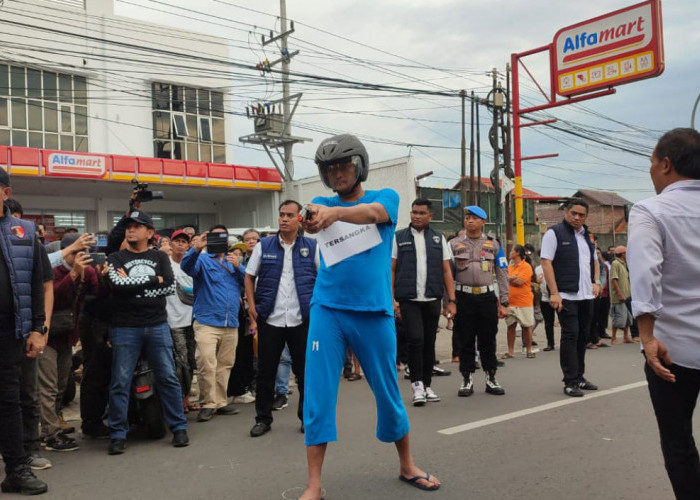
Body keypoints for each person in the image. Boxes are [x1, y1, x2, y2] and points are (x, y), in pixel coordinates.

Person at [299, 134, 440, 499]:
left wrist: (336, 214)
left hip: (374, 312)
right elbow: (313, 217)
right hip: (326, 310)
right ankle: (314, 485)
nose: (338, 173)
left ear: (359, 165)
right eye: (330, 168)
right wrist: (314, 218)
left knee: (388, 391)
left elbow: (375, 215)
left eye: (344, 164)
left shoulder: (385, 198)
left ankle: (407, 465)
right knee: (318, 394)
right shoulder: (321, 202)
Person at [628, 127, 700, 499]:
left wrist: (646, 337)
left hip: (675, 352)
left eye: (653, 163)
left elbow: (645, 274)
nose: (652, 171)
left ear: (667, 165)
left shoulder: (650, 210)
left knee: (678, 441)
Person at [106, 210, 189, 454]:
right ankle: (118, 434)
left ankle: (179, 427)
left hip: (157, 325)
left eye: (137, 226)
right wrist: (154, 280)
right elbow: (117, 286)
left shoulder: (160, 257)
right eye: (129, 226)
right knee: (120, 382)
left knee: (168, 378)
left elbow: (169, 287)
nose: (131, 229)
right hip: (124, 327)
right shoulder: (115, 257)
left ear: (150, 232)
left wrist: (133, 286)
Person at [245, 200, 318, 437]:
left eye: (289, 215)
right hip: (270, 319)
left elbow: (324, 278)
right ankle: (263, 419)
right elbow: (249, 276)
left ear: (299, 218)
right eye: (281, 215)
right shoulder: (264, 245)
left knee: (305, 372)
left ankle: (306, 418)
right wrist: (252, 308)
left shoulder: (312, 246)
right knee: (266, 372)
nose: (284, 219)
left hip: (300, 320)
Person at [0, 168, 48, 494]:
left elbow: (36, 283)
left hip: (8, 334)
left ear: (6, 192)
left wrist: (38, 329)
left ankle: (16, 470)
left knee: (9, 403)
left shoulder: (24, 231)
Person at [392, 198, 456, 406]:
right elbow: (391, 269)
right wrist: (392, 299)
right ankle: (417, 385)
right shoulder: (399, 237)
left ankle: (427, 385)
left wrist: (451, 301)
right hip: (408, 299)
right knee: (415, 340)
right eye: (414, 212)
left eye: (421, 213)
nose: (416, 216)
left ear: (430, 216)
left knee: (429, 342)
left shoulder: (439, 238)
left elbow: (446, 270)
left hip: (432, 298)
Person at [39, 234, 98, 452]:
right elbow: (54, 297)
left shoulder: (88, 270)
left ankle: (52, 424)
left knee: (61, 386)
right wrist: (73, 274)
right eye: (76, 252)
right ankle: (50, 434)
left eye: (84, 252)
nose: (80, 256)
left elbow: (96, 294)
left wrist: (101, 276)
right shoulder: (52, 271)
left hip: (67, 336)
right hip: (46, 337)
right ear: (66, 252)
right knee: (48, 387)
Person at [181, 225, 244, 422]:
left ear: (227, 242)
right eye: (213, 237)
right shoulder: (201, 259)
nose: (218, 241)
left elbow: (248, 281)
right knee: (206, 363)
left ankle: (220, 402)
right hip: (207, 320)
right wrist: (196, 248)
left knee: (225, 365)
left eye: (222, 237)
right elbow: (186, 267)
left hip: (230, 322)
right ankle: (208, 403)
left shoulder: (233, 261)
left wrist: (238, 267)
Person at [540, 199, 601, 397]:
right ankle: (570, 381)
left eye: (581, 215)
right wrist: (554, 292)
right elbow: (546, 263)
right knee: (570, 335)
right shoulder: (554, 233)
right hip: (566, 294)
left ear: (586, 217)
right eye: (573, 213)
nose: (576, 217)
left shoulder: (587, 236)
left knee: (583, 336)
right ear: (566, 212)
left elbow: (594, 261)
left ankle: (580, 377)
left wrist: (597, 281)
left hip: (586, 294)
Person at [449, 205, 508, 397]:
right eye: (467, 218)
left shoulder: (494, 244)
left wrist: (504, 301)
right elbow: (447, 274)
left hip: (486, 297)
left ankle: (491, 377)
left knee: (488, 339)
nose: (470, 221)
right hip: (463, 297)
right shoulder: (453, 244)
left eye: (474, 218)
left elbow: (502, 272)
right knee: (464, 339)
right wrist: (448, 302)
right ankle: (466, 379)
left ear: (483, 222)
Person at [164, 229, 197, 413]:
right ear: (170, 244)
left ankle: (186, 399)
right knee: (179, 363)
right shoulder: (165, 265)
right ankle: (178, 402)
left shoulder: (192, 265)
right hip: (172, 321)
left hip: (192, 320)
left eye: (184, 241)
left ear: (189, 245)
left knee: (191, 362)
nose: (180, 244)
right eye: (177, 241)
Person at [504, 245, 536, 359]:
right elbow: (504, 280)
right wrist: (512, 277)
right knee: (510, 326)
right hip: (510, 302)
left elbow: (519, 282)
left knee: (526, 326)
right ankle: (510, 351)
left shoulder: (526, 266)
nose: (510, 252)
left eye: (512, 250)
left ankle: (529, 350)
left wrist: (509, 278)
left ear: (517, 253)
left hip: (524, 301)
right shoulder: (510, 267)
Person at [609, 245, 634, 345]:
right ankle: (613, 338)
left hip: (627, 295)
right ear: (623, 254)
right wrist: (619, 294)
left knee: (628, 318)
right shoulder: (615, 263)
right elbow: (614, 279)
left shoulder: (624, 264)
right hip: (619, 297)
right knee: (618, 318)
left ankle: (626, 337)